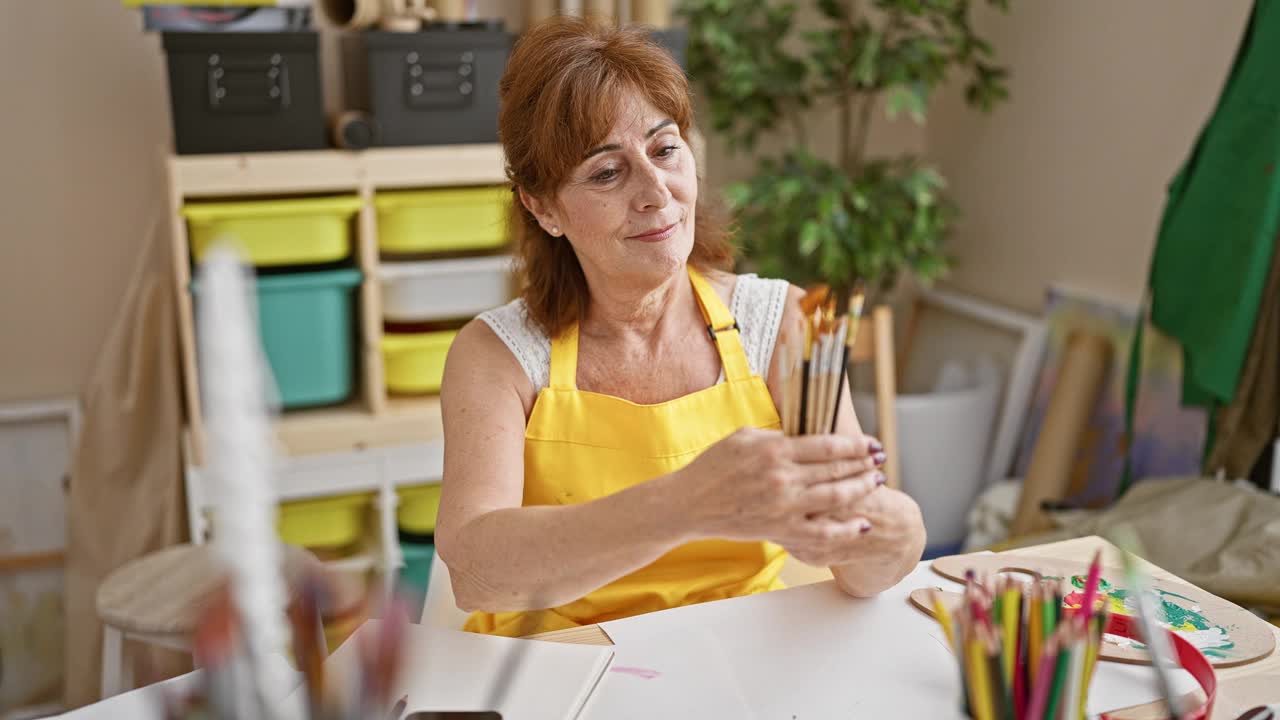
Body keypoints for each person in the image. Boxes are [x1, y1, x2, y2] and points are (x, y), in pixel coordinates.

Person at [434, 17, 926, 637]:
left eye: (665, 150)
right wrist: (685, 504)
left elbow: (858, 573)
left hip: (734, 653)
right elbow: (475, 575)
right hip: (557, 662)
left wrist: (897, 529)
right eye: (607, 173)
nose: (657, 193)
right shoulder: (498, 355)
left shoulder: (781, 324)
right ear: (544, 207)